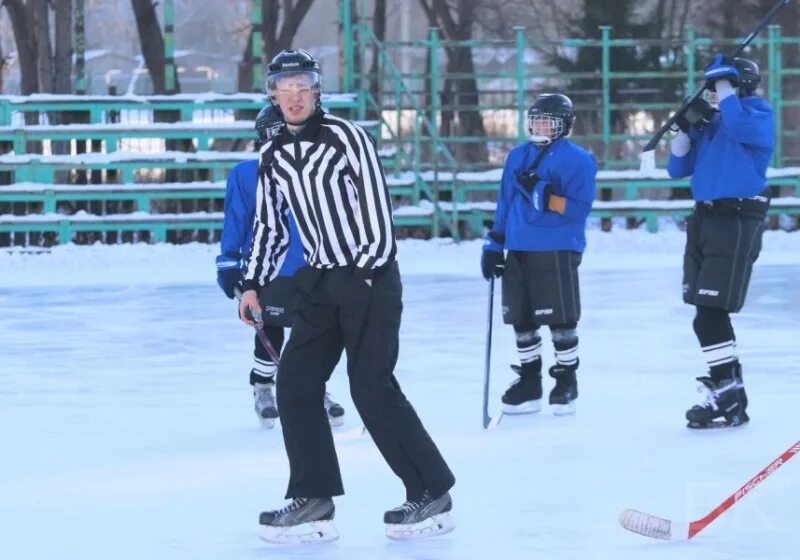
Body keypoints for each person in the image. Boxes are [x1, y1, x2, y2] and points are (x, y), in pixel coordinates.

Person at [237, 49, 455, 543]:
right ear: (272, 93)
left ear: (317, 91)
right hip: (319, 280)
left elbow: (377, 213)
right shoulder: (272, 156)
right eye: (283, 88)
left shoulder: (346, 139)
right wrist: (251, 282)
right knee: (294, 384)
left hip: (368, 278)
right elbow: (270, 225)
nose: (293, 97)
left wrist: (366, 272)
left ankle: (431, 491)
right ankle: (313, 500)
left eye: (302, 86)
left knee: (370, 386)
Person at [216, 104, 345, 429]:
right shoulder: (246, 174)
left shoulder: (321, 170)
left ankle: (314, 388)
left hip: (315, 266)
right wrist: (229, 263)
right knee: (269, 327)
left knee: (314, 332)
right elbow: (237, 220)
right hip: (269, 269)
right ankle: (263, 386)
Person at [668, 54, 773, 429]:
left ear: (740, 86)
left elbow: (743, 129)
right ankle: (730, 395)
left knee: (709, 314)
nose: (715, 95)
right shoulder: (710, 124)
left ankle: (727, 394)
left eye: (722, 87)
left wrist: (725, 87)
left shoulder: (756, 113)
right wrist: (683, 133)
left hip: (736, 217)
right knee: (704, 311)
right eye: (712, 88)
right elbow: (678, 168)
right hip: (704, 218)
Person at [481, 93, 596, 416]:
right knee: (521, 316)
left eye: (547, 121)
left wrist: (543, 194)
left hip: (556, 246)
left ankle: (565, 380)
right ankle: (529, 380)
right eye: (536, 120)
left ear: (564, 125)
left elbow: (578, 210)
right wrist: (495, 242)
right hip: (519, 245)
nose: (540, 126)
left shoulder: (577, 160)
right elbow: (505, 201)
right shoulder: (517, 155)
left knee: (560, 317)